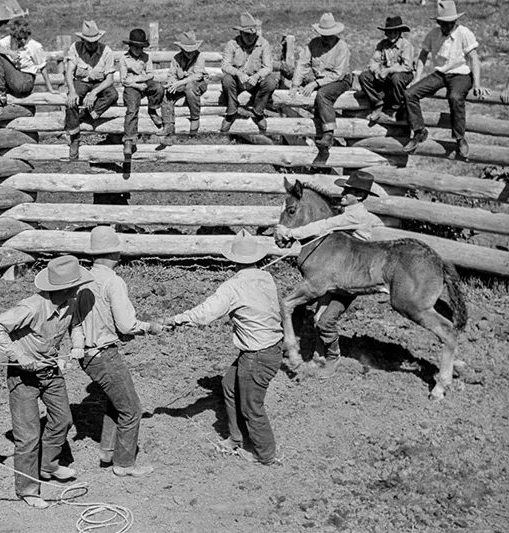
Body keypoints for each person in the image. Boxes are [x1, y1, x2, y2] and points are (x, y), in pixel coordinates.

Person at [163, 232, 283, 466]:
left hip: (257, 355)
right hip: (269, 348)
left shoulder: (233, 287)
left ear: (234, 259)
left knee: (251, 406)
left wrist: (176, 320)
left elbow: (205, 314)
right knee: (229, 384)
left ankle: (265, 454)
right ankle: (235, 438)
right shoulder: (266, 277)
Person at [0, 255, 92, 509]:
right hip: (23, 377)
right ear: (64, 287)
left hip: (50, 369)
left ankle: (48, 465)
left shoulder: (71, 303)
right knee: (28, 436)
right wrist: (20, 357)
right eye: (76, 284)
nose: (79, 288)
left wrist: (77, 344)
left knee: (63, 419)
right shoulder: (31, 308)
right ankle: (28, 489)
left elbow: (75, 326)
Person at [274, 171, 384, 378]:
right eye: (344, 189)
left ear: (359, 196)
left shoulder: (356, 215)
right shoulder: (348, 214)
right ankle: (319, 355)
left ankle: (333, 358)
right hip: (339, 272)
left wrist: (291, 233)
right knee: (318, 317)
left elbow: (325, 225)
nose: (342, 194)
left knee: (325, 320)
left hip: (352, 277)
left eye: (348, 192)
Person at [73, 227, 163, 477]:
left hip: (88, 356)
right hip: (105, 354)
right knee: (132, 409)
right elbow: (126, 324)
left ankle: (107, 449)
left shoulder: (82, 279)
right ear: (114, 254)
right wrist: (150, 327)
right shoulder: (114, 281)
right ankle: (124, 464)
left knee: (117, 401)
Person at [403, 0, 490, 158]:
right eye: (442, 23)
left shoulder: (464, 33)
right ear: (438, 22)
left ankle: (459, 138)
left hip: (461, 74)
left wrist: (477, 84)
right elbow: (423, 55)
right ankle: (419, 131)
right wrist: (417, 78)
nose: (445, 26)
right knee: (410, 93)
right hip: (441, 74)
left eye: (449, 23)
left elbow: (474, 59)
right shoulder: (433, 33)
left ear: (455, 21)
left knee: (455, 97)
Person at [290, 13, 352, 150]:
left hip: (340, 80)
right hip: (321, 80)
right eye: (324, 34)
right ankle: (321, 156)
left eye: (329, 35)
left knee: (323, 95)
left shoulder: (342, 47)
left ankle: (329, 133)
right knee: (319, 108)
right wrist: (295, 84)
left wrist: (315, 84)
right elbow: (302, 64)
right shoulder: (314, 44)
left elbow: (338, 74)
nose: (326, 38)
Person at [64, 20, 119, 161]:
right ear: (83, 40)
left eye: (95, 41)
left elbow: (110, 79)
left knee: (112, 94)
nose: (92, 44)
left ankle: (88, 115)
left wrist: (94, 93)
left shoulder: (106, 51)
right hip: (81, 82)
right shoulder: (75, 48)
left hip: (99, 84)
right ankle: (74, 136)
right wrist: (71, 91)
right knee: (71, 101)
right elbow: (69, 72)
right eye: (89, 42)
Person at [219, 12, 278, 134]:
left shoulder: (264, 43)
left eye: (252, 35)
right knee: (227, 80)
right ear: (241, 33)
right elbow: (225, 65)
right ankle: (231, 112)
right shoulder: (232, 44)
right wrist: (238, 73)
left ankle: (258, 111)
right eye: (247, 35)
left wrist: (257, 76)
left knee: (271, 82)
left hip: (256, 82)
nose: (250, 38)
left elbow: (268, 67)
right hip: (238, 80)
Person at [358, 16, 415, 123]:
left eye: (395, 32)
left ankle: (395, 108)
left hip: (402, 74)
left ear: (399, 32)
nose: (392, 35)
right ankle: (377, 102)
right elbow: (373, 62)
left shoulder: (406, 45)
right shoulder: (382, 44)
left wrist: (388, 70)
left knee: (396, 78)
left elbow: (407, 66)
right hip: (385, 75)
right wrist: (377, 71)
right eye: (389, 33)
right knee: (364, 76)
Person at [118, 28, 164, 157]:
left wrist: (139, 80)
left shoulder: (146, 57)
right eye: (136, 47)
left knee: (159, 88)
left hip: (143, 82)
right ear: (130, 46)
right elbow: (124, 80)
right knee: (132, 108)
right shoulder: (124, 58)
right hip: (132, 87)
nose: (139, 50)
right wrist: (137, 85)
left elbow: (150, 75)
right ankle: (129, 139)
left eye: (141, 47)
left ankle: (153, 109)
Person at [0, 19, 55, 106]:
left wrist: (50, 88)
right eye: (20, 38)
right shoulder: (9, 40)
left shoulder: (34, 46)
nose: (23, 41)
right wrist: (10, 52)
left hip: (25, 81)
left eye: (25, 38)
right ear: (14, 36)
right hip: (14, 80)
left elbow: (42, 67)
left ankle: (0, 92)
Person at [162, 31, 208, 142]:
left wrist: (179, 83)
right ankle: (169, 126)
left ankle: (195, 118)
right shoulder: (176, 58)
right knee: (166, 94)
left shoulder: (200, 56)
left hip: (198, 84)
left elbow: (197, 76)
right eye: (187, 51)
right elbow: (171, 74)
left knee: (190, 88)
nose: (190, 54)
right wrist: (172, 83)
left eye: (191, 51)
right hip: (181, 83)